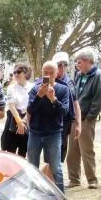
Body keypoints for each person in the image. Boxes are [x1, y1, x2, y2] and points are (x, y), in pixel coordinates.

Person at [27, 61, 70, 191]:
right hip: (35, 132)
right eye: (46, 73)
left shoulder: (63, 89)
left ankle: (61, 196)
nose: (49, 75)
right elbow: (30, 109)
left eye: (52, 73)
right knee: (32, 166)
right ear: (42, 73)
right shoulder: (35, 89)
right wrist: (39, 96)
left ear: (57, 74)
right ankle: (32, 194)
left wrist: (54, 100)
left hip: (53, 133)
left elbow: (64, 112)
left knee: (56, 167)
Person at [65, 48, 101, 189]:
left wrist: (89, 117)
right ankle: (74, 179)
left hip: (87, 120)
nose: (77, 64)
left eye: (79, 62)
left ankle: (92, 180)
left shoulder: (98, 75)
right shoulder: (79, 74)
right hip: (75, 118)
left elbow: (98, 99)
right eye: (76, 62)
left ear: (88, 61)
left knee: (87, 150)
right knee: (72, 151)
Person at [52, 52, 80, 163]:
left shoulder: (69, 81)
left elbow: (76, 103)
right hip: (54, 124)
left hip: (67, 123)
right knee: (53, 158)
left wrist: (78, 124)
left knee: (60, 156)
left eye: (65, 64)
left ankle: (49, 179)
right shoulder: (50, 82)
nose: (62, 67)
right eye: (59, 64)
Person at [1, 63, 30, 157]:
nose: (16, 74)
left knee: (23, 153)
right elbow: (11, 106)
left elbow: (32, 106)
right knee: (10, 152)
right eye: (14, 72)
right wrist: (19, 122)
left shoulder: (33, 87)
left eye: (18, 72)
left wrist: (24, 121)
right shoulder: (11, 88)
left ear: (25, 73)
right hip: (14, 119)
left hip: (28, 118)